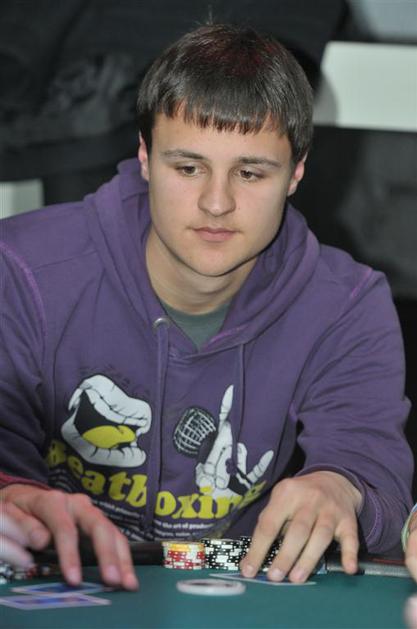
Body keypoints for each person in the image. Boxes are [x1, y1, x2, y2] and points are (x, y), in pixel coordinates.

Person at [0, 23, 412, 590]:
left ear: (296, 172)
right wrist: (12, 495)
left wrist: (341, 487)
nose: (217, 203)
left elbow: (378, 481)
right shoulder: (21, 270)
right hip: (48, 574)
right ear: (145, 157)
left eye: (250, 172)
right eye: (188, 167)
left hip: (231, 584)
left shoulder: (347, 305)